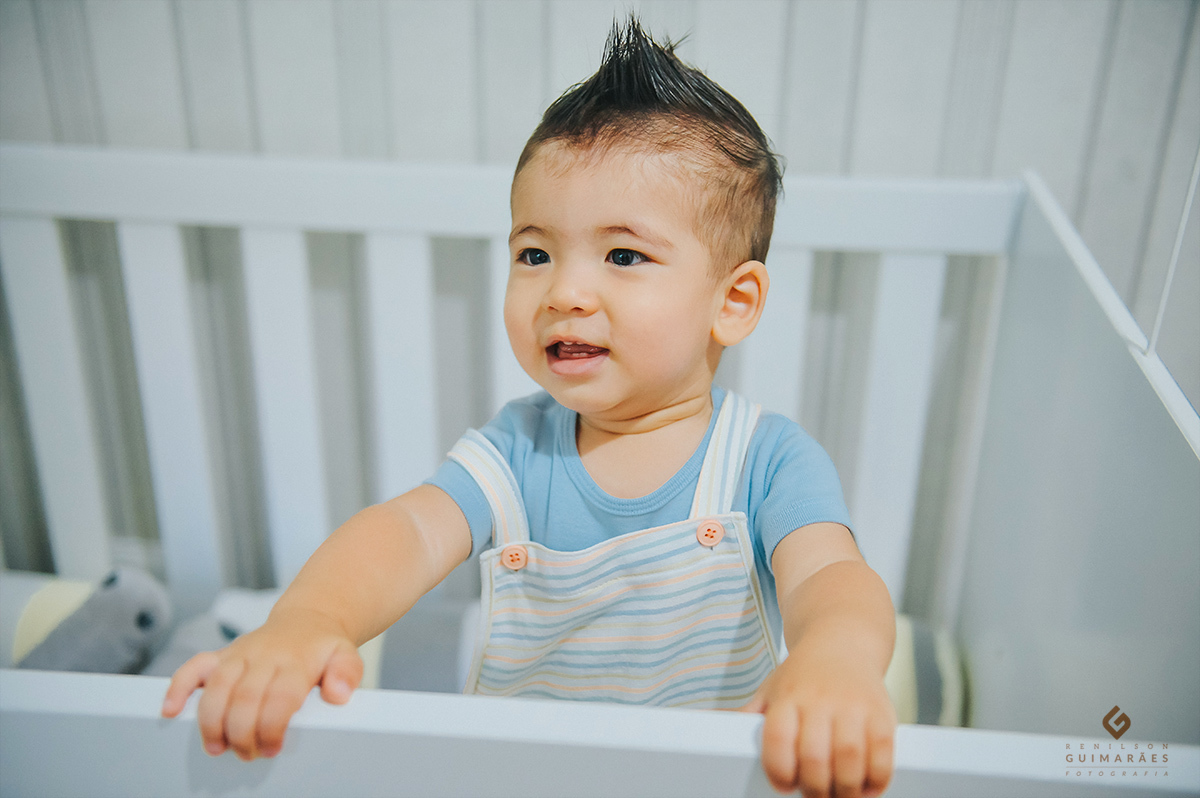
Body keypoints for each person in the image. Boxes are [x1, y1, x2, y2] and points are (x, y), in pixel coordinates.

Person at [162, 17, 897, 797]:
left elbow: (829, 577)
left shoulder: (765, 459)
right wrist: (310, 619)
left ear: (734, 301)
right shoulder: (517, 451)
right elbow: (406, 533)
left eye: (623, 255)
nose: (564, 292)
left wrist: (836, 659)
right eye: (534, 254)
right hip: (522, 776)